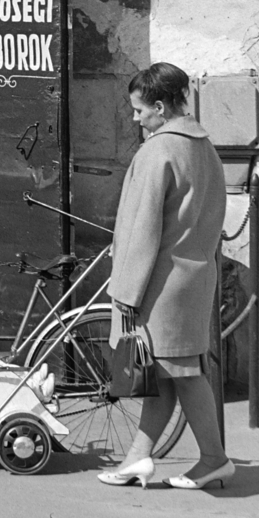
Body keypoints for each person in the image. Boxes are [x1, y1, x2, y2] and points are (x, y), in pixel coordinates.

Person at [98, 61, 232, 490]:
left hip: (161, 283)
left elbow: (142, 230)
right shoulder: (204, 147)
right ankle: (138, 458)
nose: (135, 119)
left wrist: (125, 292)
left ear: (159, 106)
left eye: (139, 110)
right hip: (194, 275)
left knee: (184, 375)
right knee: (169, 372)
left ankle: (213, 458)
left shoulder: (157, 152)